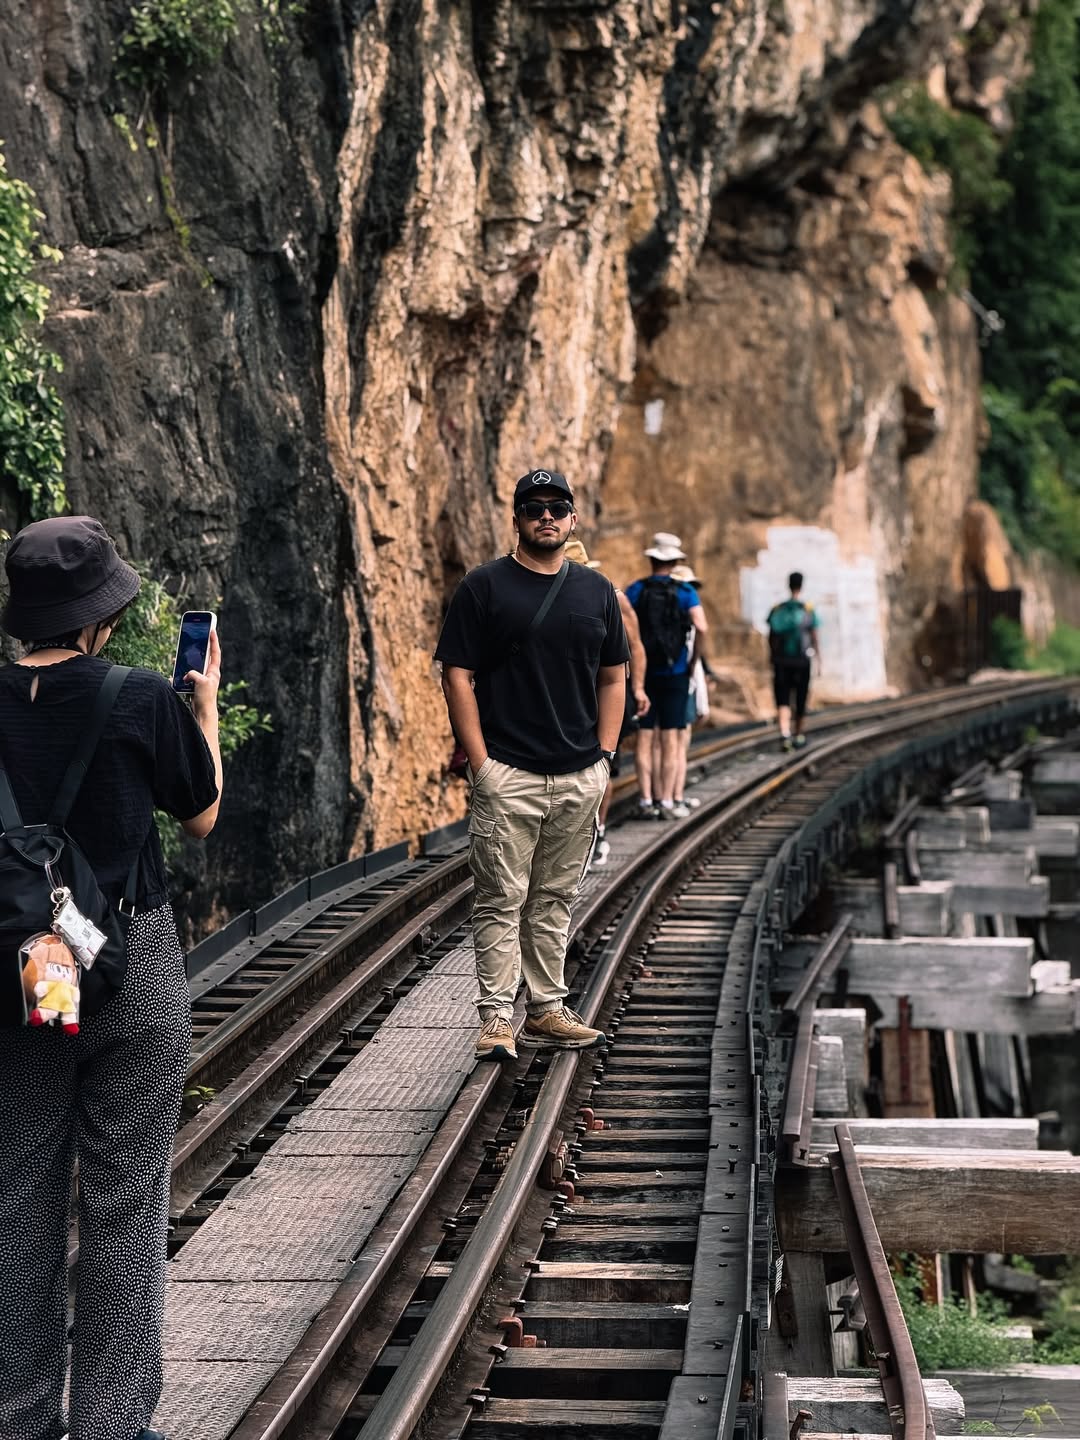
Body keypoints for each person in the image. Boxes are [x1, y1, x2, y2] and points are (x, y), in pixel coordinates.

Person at [0, 516, 222, 1440]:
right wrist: (202, 708)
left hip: (21, 975)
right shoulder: (140, 698)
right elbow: (203, 815)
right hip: (129, 965)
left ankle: (18, 1420)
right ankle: (111, 1424)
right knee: (126, 1201)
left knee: (19, 1196)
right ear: (98, 618)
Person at [435, 469, 629, 1063]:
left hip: (578, 773)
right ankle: (497, 1018)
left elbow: (614, 676)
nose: (546, 516)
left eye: (557, 507)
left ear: (572, 519)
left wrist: (604, 757)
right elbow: (456, 675)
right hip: (509, 772)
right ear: (516, 519)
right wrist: (482, 764)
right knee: (501, 897)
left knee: (554, 898)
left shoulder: (596, 591)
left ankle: (546, 1009)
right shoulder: (483, 587)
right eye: (533, 507)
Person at [562, 541, 649, 867]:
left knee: (603, 765)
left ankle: (597, 830)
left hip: (606, 695)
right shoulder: (543, 595)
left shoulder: (612, 598)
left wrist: (638, 688)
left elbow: (636, 646)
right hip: (570, 697)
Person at [625, 533, 707, 820]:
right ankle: (670, 800)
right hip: (676, 673)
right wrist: (693, 661)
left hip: (644, 675)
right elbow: (702, 627)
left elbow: (622, 627)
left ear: (652, 559)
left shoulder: (635, 590)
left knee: (645, 739)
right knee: (672, 739)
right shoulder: (686, 593)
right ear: (674, 562)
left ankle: (648, 800)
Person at [669, 564, 710, 810]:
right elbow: (695, 666)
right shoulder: (689, 619)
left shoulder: (660, 615)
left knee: (660, 744)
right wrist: (703, 703)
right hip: (683, 682)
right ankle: (675, 796)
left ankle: (657, 797)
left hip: (659, 681)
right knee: (679, 742)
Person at [767, 569, 820, 750]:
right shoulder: (807, 610)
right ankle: (798, 735)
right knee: (800, 697)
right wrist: (819, 658)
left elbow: (771, 637)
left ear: (788, 585)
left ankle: (784, 734)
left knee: (782, 698)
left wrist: (772, 658)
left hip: (781, 661)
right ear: (801, 586)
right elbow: (814, 635)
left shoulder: (777, 609)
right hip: (802, 661)